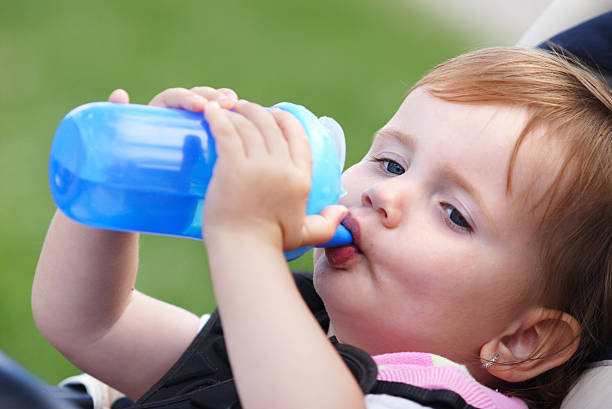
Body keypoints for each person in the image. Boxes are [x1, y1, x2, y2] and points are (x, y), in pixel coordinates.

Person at [32, 46, 611, 409]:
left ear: (520, 341)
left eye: (454, 214)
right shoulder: (300, 326)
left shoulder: (436, 400)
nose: (386, 194)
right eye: (392, 163)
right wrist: (120, 186)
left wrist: (246, 239)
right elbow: (90, 324)